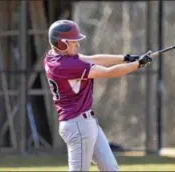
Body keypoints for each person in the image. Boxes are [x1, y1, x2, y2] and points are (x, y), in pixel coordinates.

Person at [43, 20, 152, 171]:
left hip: (87, 122)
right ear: (62, 44)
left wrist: (126, 58)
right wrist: (136, 65)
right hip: (78, 124)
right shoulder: (66, 66)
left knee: (111, 168)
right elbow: (108, 72)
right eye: (74, 42)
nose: (78, 45)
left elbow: (92, 59)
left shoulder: (52, 57)